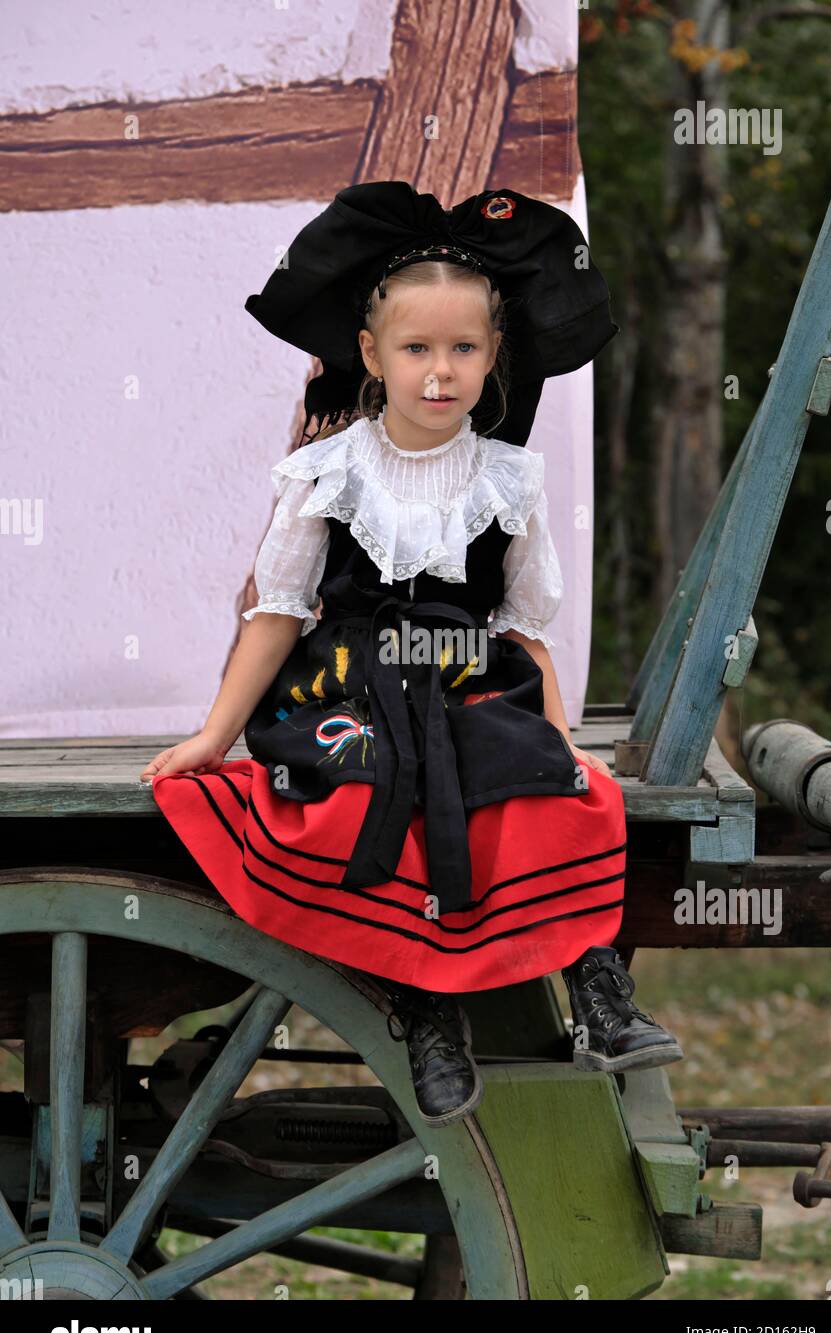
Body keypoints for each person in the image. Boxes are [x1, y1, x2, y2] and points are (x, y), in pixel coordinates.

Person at [140, 182, 682, 1129]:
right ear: (371, 354)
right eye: (417, 350)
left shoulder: (506, 478)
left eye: (464, 350)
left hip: (472, 678)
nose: (441, 373)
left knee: (542, 785)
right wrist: (213, 736)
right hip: (349, 684)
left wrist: (560, 741)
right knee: (367, 790)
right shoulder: (331, 470)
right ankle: (426, 1011)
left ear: (493, 355)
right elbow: (277, 611)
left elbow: (524, 626)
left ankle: (596, 988)